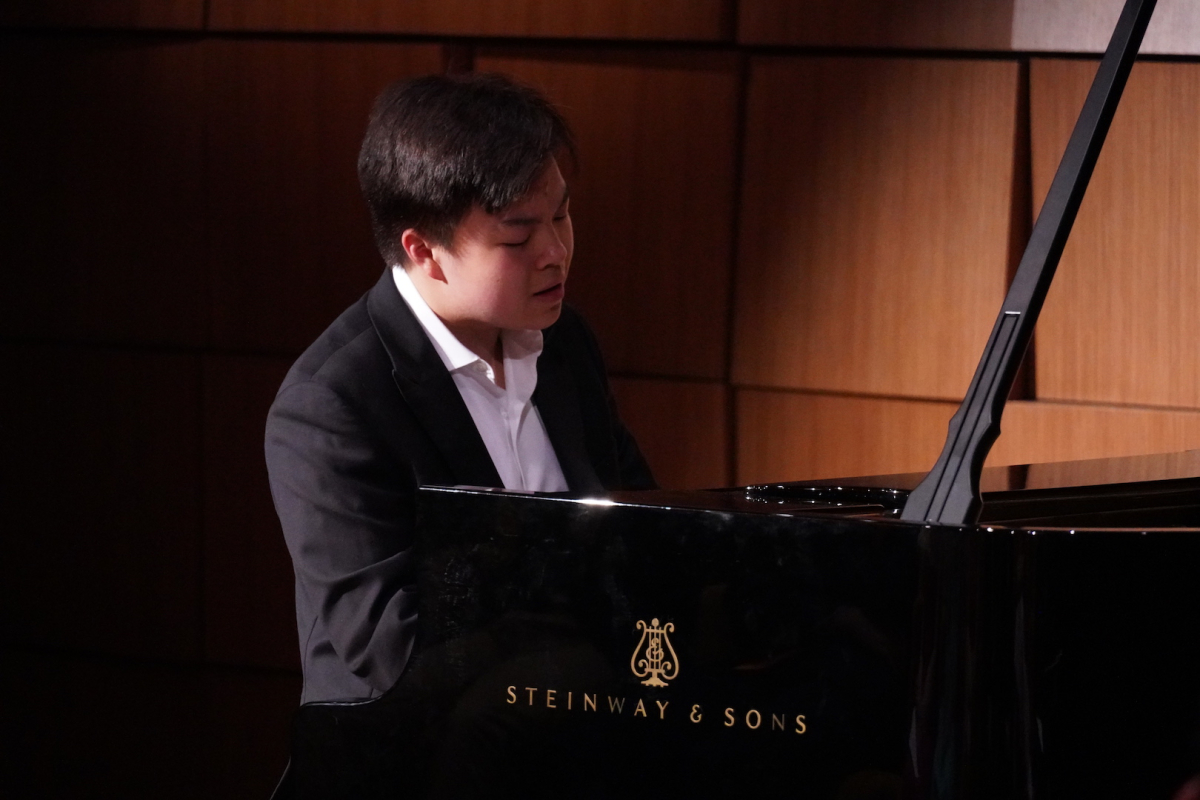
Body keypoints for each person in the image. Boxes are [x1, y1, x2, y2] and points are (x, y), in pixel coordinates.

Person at [264, 72, 655, 705]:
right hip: (422, 745)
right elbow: (394, 645)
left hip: (579, 724)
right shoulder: (333, 405)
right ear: (423, 250)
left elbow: (647, 531)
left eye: (562, 215)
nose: (556, 251)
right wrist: (581, 600)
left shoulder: (565, 341)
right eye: (518, 235)